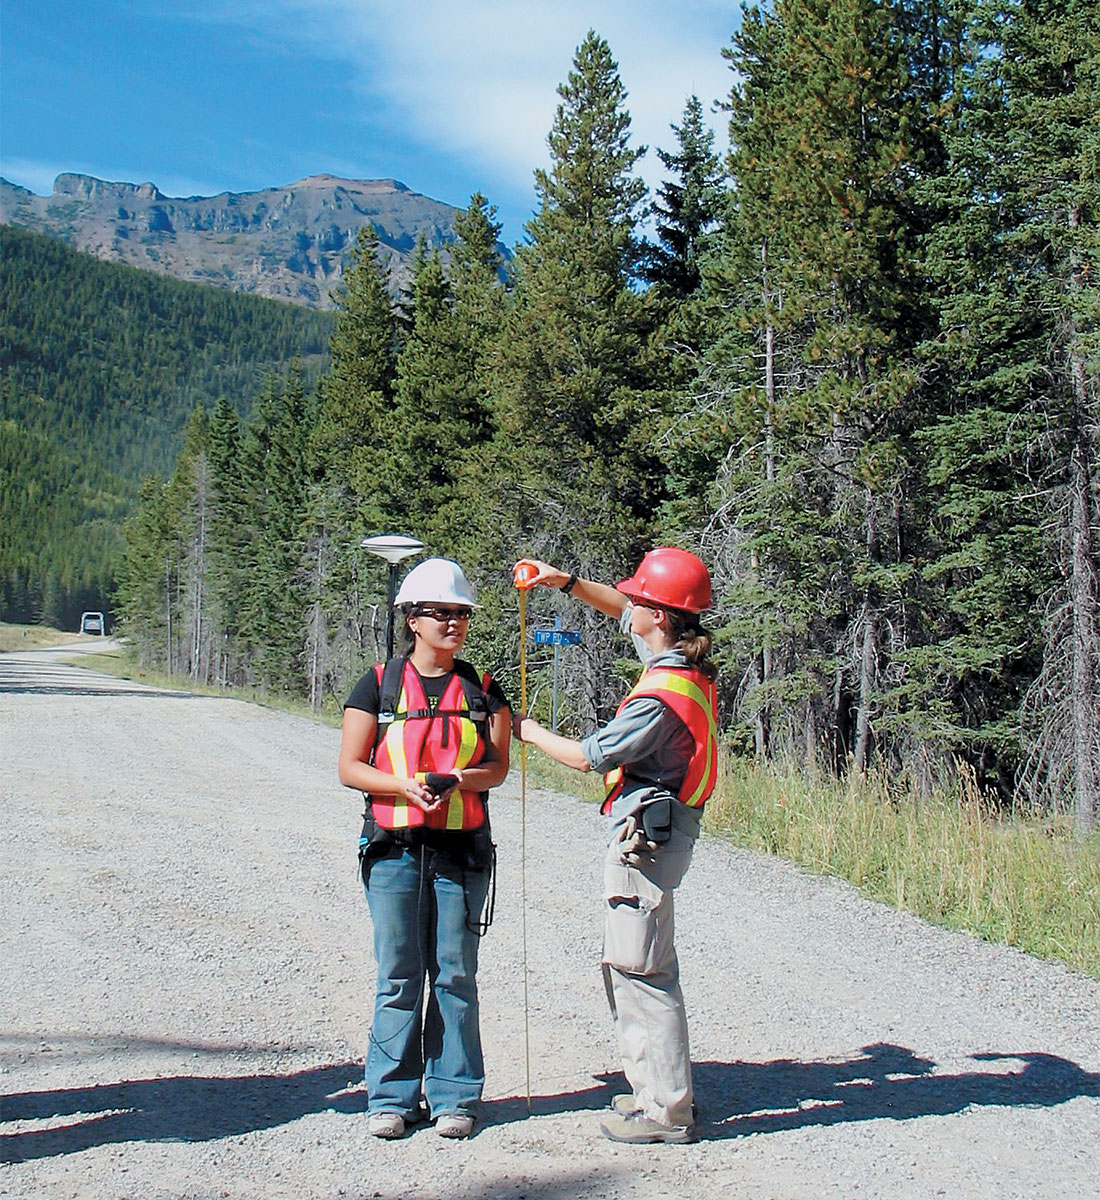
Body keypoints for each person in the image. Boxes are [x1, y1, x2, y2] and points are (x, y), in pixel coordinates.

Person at [512, 548, 718, 1145]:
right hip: (655, 834)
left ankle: (666, 1112)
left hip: (645, 845)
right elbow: (622, 605)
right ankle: (653, 1090)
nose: (627, 610)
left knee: (642, 971)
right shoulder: (680, 662)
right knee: (633, 966)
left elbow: (585, 757)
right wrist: (565, 582)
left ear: (658, 615)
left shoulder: (660, 698)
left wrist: (525, 731)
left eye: (639, 604)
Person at [338, 557, 511, 1140]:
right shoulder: (377, 683)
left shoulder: (485, 690)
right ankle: (389, 1096)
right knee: (399, 974)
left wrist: (458, 779)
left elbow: (497, 768)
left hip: (461, 854)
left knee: (456, 974)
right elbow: (350, 767)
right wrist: (402, 786)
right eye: (441, 613)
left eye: (460, 613)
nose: (453, 622)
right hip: (393, 850)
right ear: (412, 619)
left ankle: (455, 1097)